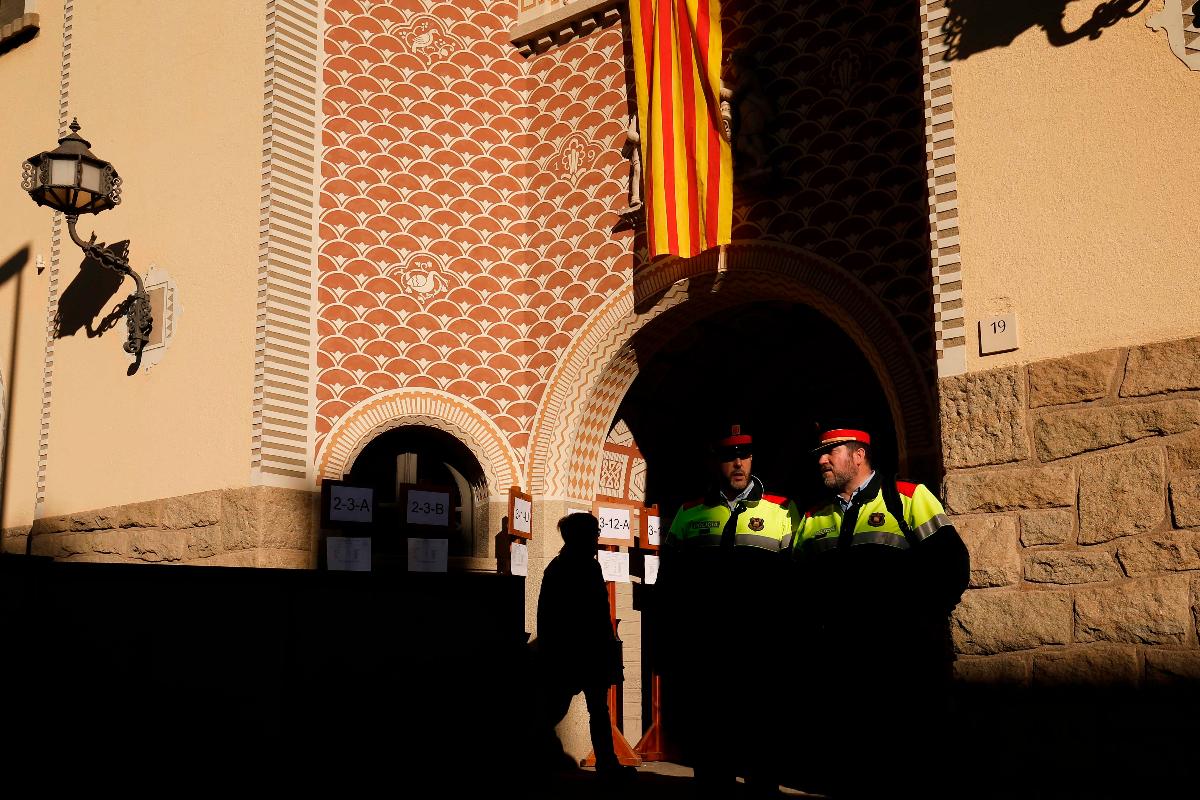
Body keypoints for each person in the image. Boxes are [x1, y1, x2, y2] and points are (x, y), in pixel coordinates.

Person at [790, 423, 970, 799]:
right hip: (838, 669)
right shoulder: (812, 517)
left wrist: (917, 624)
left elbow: (951, 565)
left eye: (831, 452)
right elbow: (798, 588)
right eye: (819, 455)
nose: (821, 460)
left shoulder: (907, 498)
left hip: (898, 665)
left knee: (902, 766)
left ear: (859, 455)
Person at [655, 423, 800, 799]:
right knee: (710, 737)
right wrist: (670, 643)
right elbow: (669, 586)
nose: (737, 464)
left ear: (752, 459)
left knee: (761, 736)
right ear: (715, 462)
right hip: (706, 651)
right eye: (728, 457)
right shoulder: (688, 514)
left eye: (744, 456)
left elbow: (797, 584)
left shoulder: (783, 510)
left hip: (762, 650)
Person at [534, 512, 636, 785]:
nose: (597, 538)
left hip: (579, 652)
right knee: (563, 709)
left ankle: (607, 764)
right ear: (581, 536)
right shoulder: (573, 568)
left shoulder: (568, 566)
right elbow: (560, 616)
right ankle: (602, 765)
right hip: (576, 652)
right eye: (594, 534)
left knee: (588, 709)